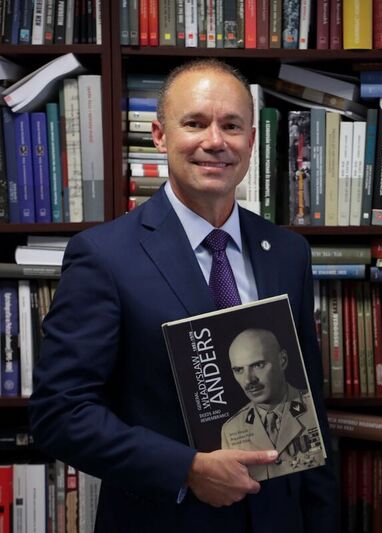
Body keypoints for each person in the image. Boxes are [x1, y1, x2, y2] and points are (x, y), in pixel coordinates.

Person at [28, 59, 338, 532]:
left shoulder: (289, 253)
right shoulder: (104, 256)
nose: (215, 140)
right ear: (159, 136)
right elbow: (59, 413)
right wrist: (186, 469)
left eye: (232, 125)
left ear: (251, 142)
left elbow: (309, 399)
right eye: (195, 123)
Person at [221, 329, 324, 479]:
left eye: (258, 365)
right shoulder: (230, 429)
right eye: (239, 370)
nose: (248, 380)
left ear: (282, 360)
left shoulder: (312, 407)